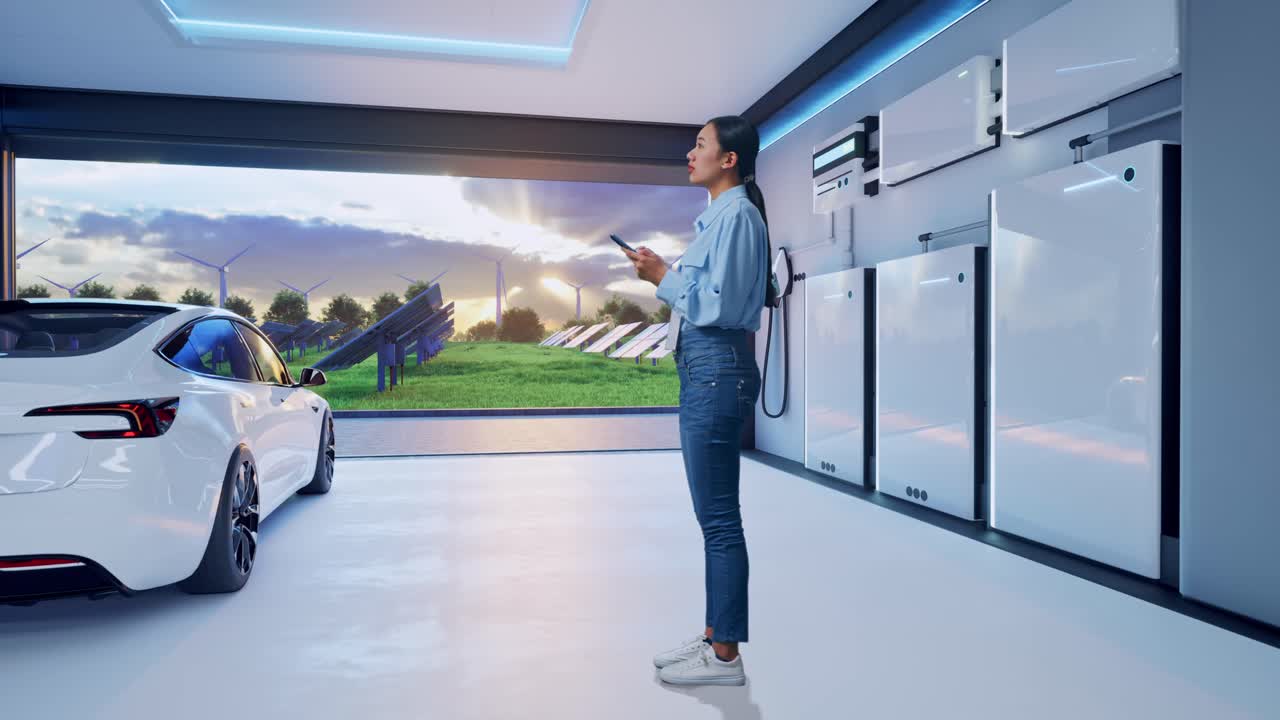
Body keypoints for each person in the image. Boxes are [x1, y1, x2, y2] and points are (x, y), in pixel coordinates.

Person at [624, 115, 769, 687]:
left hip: (716, 371)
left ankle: (725, 658)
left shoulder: (737, 217)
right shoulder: (723, 218)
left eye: (701, 145)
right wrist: (664, 275)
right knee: (715, 519)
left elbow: (718, 302)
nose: (691, 153)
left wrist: (662, 274)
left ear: (728, 159)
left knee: (719, 522)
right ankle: (716, 636)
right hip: (707, 370)